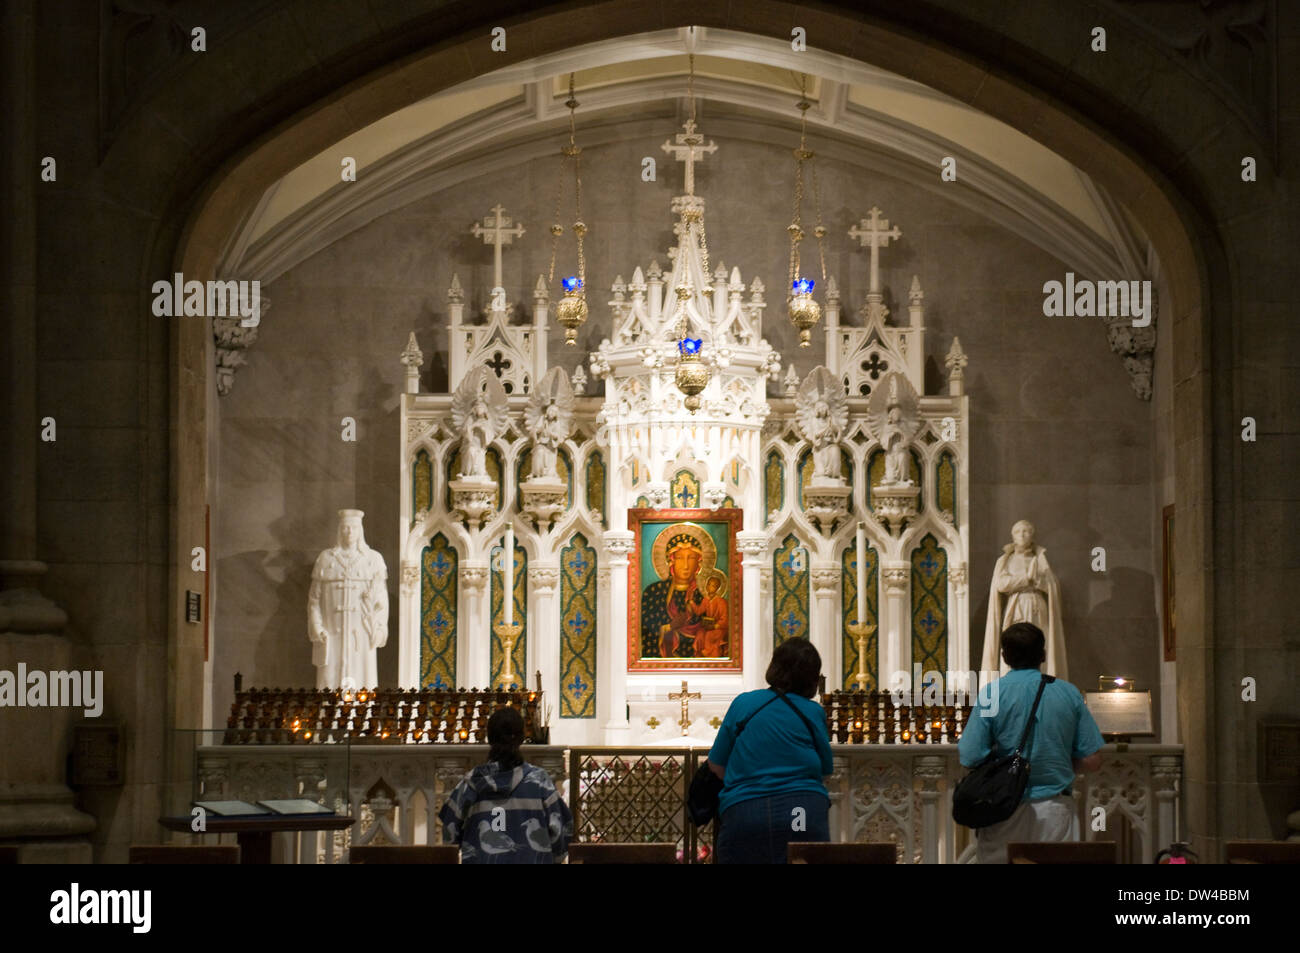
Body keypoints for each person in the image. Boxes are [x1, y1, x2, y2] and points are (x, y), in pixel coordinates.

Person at [958, 622, 1105, 864]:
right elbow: (1093, 760)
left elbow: (969, 755)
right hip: (1056, 812)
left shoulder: (993, 694)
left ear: (1005, 657)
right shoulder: (1068, 693)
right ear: (1043, 654)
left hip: (1003, 810)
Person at [706, 638, 835, 863]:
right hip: (801, 811)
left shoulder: (744, 704)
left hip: (746, 813)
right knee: (800, 846)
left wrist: (748, 781)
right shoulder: (813, 712)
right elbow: (826, 770)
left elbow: (715, 765)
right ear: (813, 678)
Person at [439, 707, 572, 864]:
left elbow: (449, 834)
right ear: (521, 738)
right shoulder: (539, 782)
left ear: (489, 738)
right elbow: (562, 832)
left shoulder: (472, 783)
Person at [307, 509, 388, 690]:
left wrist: (380, 629)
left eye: (353, 528)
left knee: (362, 686)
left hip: (362, 636)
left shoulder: (373, 559)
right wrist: (317, 627)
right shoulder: (326, 559)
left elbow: (381, 603)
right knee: (329, 684)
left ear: (360, 531)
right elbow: (314, 601)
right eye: (345, 527)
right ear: (339, 530)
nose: (349, 532)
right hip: (331, 636)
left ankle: (362, 716)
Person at [982, 520, 1067, 679]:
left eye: (1026, 531)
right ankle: (1013, 678)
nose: (1022, 534)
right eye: (1018, 531)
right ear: (1013, 536)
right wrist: (1025, 579)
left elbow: (1052, 584)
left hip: (1037, 606)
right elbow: (1001, 584)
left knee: (1039, 641)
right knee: (1016, 641)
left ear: (1032, 535)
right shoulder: (1005, 560)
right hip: (1016, 606)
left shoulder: (1041, 559)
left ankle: (1040, 679)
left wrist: (1039, 581)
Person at [640, 529, 709, 658]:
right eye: (680, 558)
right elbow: (645, 631)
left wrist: (702, 631)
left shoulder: (704, 595)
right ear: (671, 561)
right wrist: (670, 627)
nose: (686, 565)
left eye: (691, 558)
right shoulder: (654, 593)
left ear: (698, 563)